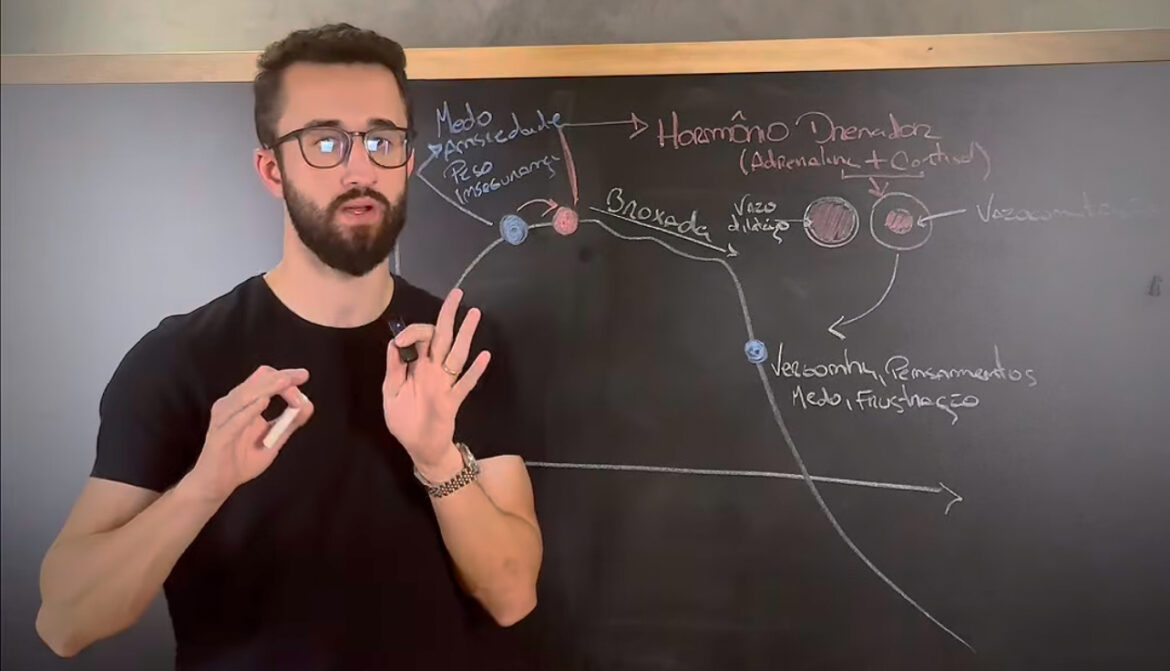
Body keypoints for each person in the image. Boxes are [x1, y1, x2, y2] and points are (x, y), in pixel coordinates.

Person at [34, 23, 543, 669]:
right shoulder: (180, 359)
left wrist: (439, 460)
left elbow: (511, 596)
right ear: (272, 169)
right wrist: (204, 486)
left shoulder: (458, 346)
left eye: (382, 140)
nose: (361, 168)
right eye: (325, 142)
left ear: (408, 161)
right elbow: (67, 621)